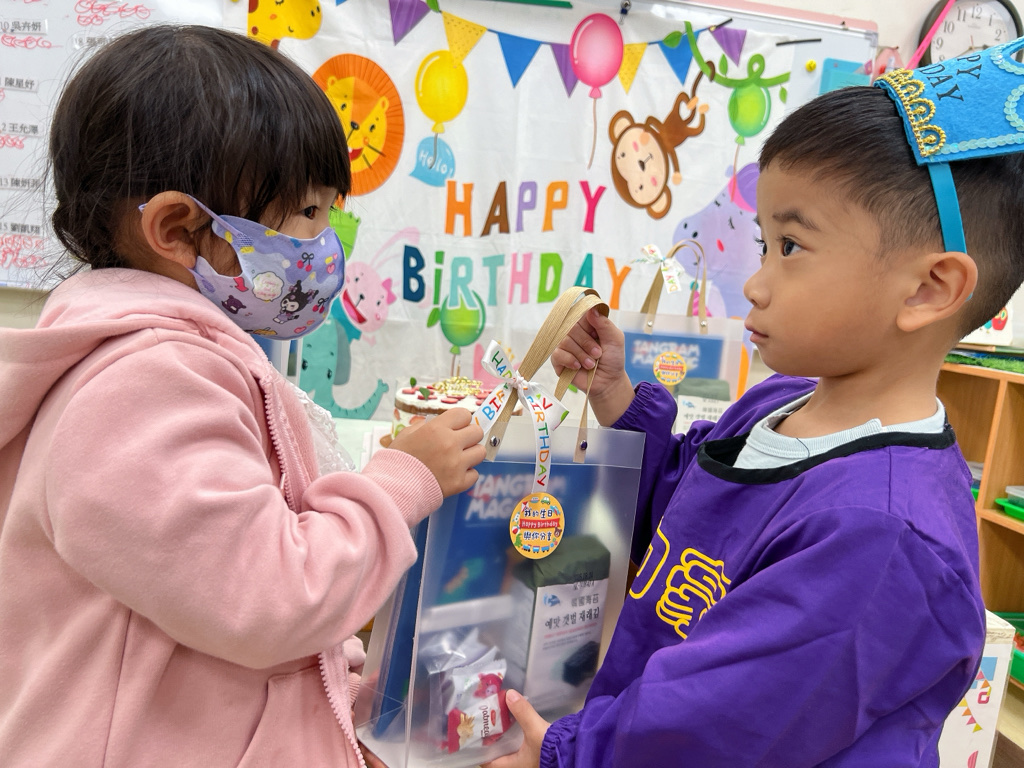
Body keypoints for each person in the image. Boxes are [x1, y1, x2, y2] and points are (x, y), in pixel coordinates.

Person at [485, 39, 1024, 768]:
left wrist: (568, 754)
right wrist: (615, 395)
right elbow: (687, 510)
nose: (755, 283)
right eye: (765, 244)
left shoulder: (884, 536)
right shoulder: (781, 401)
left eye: (791, 247)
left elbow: (713, 727)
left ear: (929, 289)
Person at [0, 25, 485, 768]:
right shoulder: (143, 387)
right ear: (176, 228)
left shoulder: (186, 364)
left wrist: (336, 705)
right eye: (307, 214)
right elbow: (272, 597)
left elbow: (222, 604)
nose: (325, 243)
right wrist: (403, 481)